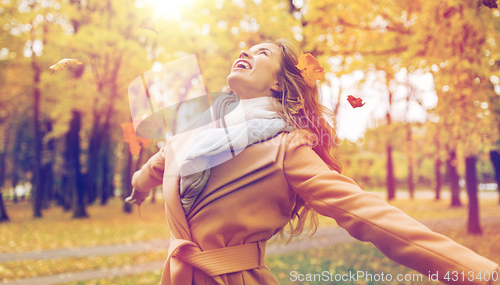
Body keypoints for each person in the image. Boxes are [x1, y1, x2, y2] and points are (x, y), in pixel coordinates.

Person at [126, 39, 500, 285]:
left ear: (277, 84)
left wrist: (482, 274)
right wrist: (137, 189)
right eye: (246, 49)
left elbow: (369, 215)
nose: (246, 52)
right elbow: (158, 166)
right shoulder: (193, 135)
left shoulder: (287, 149)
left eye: (263, 53)